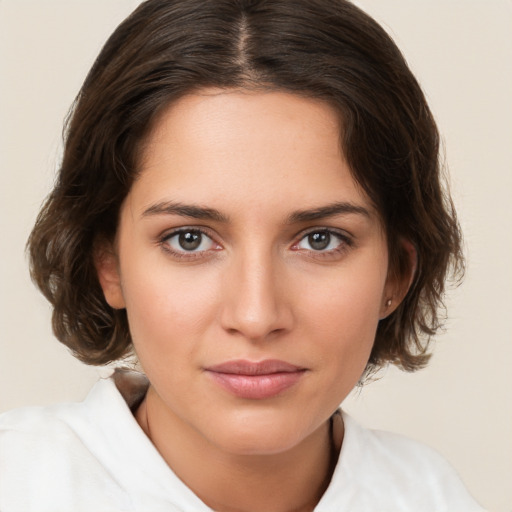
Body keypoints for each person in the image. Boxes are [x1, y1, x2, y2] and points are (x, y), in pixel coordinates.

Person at [0, 0, 485, 511]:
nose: (256, 316)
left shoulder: (434, 496)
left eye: (321, 239)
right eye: (189, 239)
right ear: (109, 265)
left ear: (397, 273)